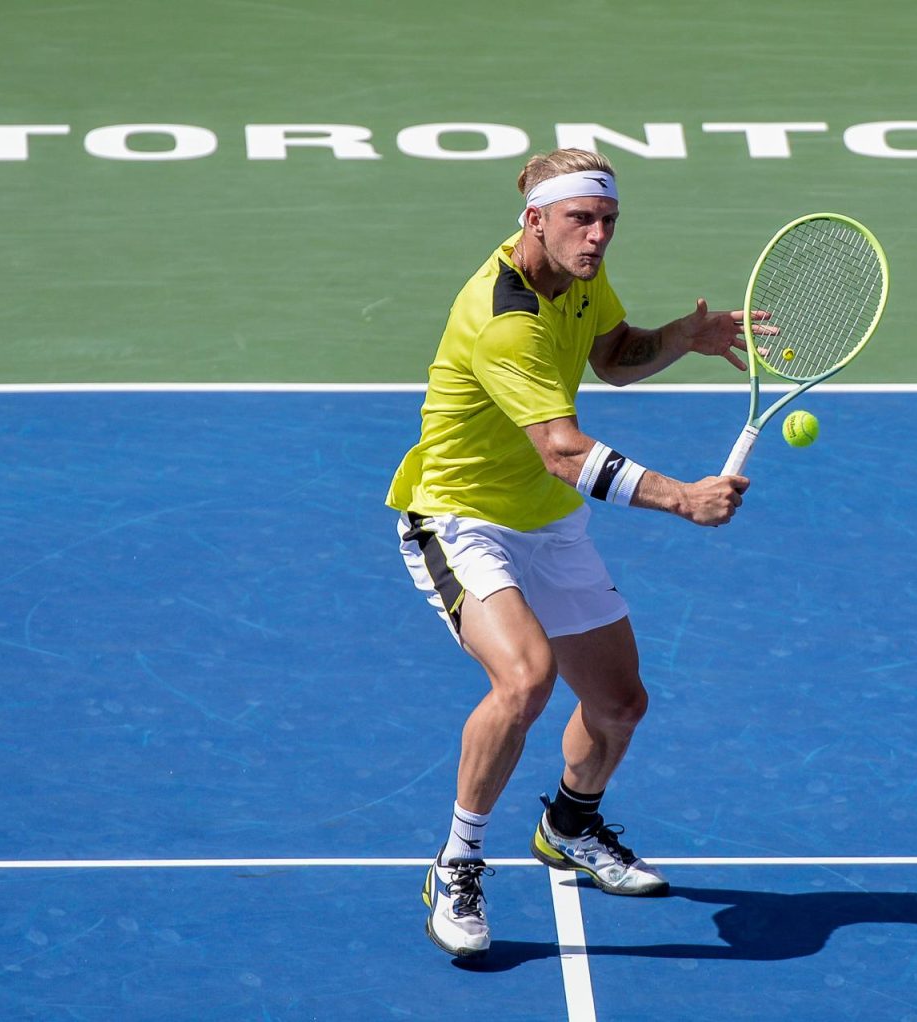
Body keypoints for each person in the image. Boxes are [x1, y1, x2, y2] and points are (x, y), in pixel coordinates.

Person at [386, 147, 750, 958]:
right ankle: (457, 862)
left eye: (608, 221)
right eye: (580, 220)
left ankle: (569, 825)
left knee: (620, 705)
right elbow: (561, 450)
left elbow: (614, 357)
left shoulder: (579, 277)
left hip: (544, 520)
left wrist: (681, 339)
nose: (596, 237)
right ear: (534, 220)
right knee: (524, 678)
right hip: (459, 516)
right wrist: (682, 497)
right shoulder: (503, 317)